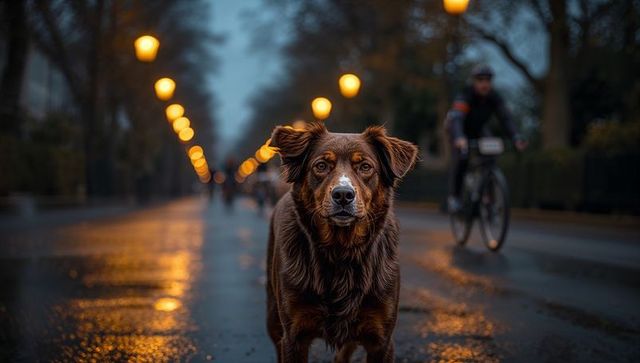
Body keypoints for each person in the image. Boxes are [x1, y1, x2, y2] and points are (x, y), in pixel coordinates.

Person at [446, 64, 527, 213]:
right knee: (462, 158)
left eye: (488, 80)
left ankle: (488, 198)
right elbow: (457, 119)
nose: (484, 84)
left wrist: (516, 137)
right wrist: (458, 137)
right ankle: (455, 198)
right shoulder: (466, 95)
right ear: (474, 81)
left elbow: (505, 118)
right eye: (480, 80)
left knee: (491, 157)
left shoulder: (494, 97)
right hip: (460, 131)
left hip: (479, 130)